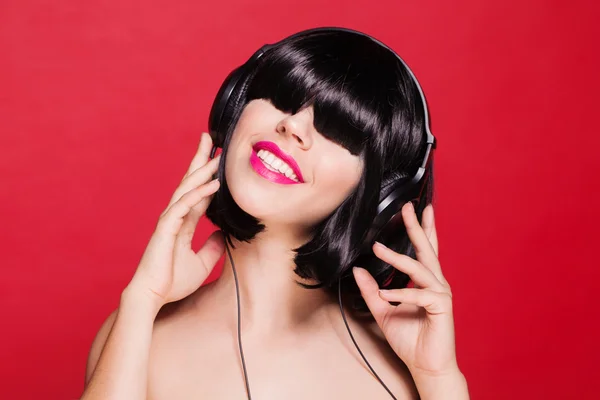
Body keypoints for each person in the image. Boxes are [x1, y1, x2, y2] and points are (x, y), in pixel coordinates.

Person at [81, 28, 470, 399]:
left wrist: (439, 381)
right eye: (282, 99)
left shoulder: (406, 367)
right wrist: (142, 299)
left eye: (339, 131)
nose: (293, 125)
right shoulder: (139, 333)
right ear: (232, 109)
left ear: (382, 194)